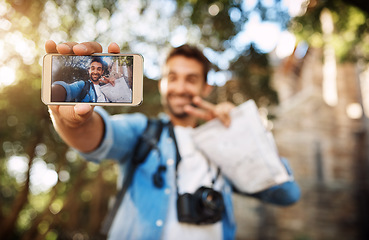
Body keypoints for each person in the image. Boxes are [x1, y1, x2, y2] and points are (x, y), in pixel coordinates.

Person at [45, 40, 300, 240]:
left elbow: (286, 194)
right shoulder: (143, 130)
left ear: (206, 88)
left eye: (191, 79)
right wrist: (70, 120)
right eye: (173, 77)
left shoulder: (227, 144)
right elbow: (98, 136)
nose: (180, 88)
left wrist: (242, 133)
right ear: (162, 84)